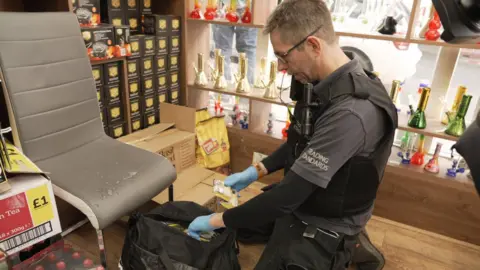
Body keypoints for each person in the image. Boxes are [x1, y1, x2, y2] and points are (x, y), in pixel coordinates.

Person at [188, 0, 398, 269]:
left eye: (283, 56)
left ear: (313, 45)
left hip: (326, 220)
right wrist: (257, 170)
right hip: (310, 194)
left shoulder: (352, 112)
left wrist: (217, 221)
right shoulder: (321, 79)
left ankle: (347, 245)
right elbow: (301, 140)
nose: (283, 67)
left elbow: (288, 195)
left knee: (243, 224)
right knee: (246, 226)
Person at [213, 0, 258, 84]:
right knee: (246, 52)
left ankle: (223, 91)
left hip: (228, 5)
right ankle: (243, 91)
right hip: (233, 6)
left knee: (222, 50)